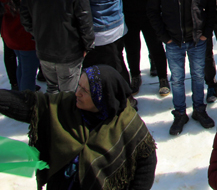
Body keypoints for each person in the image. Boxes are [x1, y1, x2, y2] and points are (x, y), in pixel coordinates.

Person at [0, 65, 157, 190]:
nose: (77, 93)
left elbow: (147, 162)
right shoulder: (64, 107)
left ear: (101, 98)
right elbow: (27, 105)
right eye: (78, 86)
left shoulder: (127, 123)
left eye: (85, 91)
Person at [147, 0, 216, 135]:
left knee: (197, 76)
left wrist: (205, 34)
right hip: (174, 40)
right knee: (177, 79)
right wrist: (164, 37)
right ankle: (180, 113)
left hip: (197, 39)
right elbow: (152, 11)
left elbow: (211, 8)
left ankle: (199, 110)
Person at [0, 0, 46, 91]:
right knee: (28, 72)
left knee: (22, 65)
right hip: (26, 37)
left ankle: (21, 89)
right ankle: (26, 101)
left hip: (9, 34)